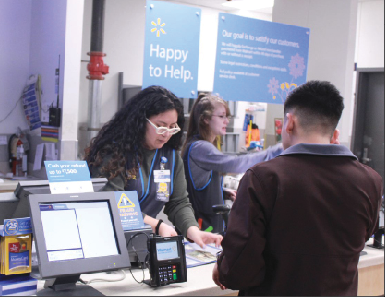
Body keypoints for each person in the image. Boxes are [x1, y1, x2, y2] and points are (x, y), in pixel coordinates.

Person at [212, 81, 383, 296]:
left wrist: (223, 265)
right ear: (333, 130)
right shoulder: (371, 181)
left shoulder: (263, 178)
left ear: (289, 122)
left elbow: (239, 270)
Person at [85, 85, 222, 248]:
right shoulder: (113, 153)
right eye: (161, 126)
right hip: (106, 241)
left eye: (172, 127)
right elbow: (111, 203)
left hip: (139, 243)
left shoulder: (170, 157)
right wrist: (156, 225)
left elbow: (178, 202)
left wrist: (192, 230)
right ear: (141, 121)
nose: (166, 134)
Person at [181, 94, 283, 234]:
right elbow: (233, 164)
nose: (226, 121)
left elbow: (198, 184)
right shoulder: (200, 148)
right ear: (205, 119)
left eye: (227, 117)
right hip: (202, 228)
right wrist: (276, 151)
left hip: (209, 226)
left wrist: (222, 193)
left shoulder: (202, 146)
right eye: (221, 116)